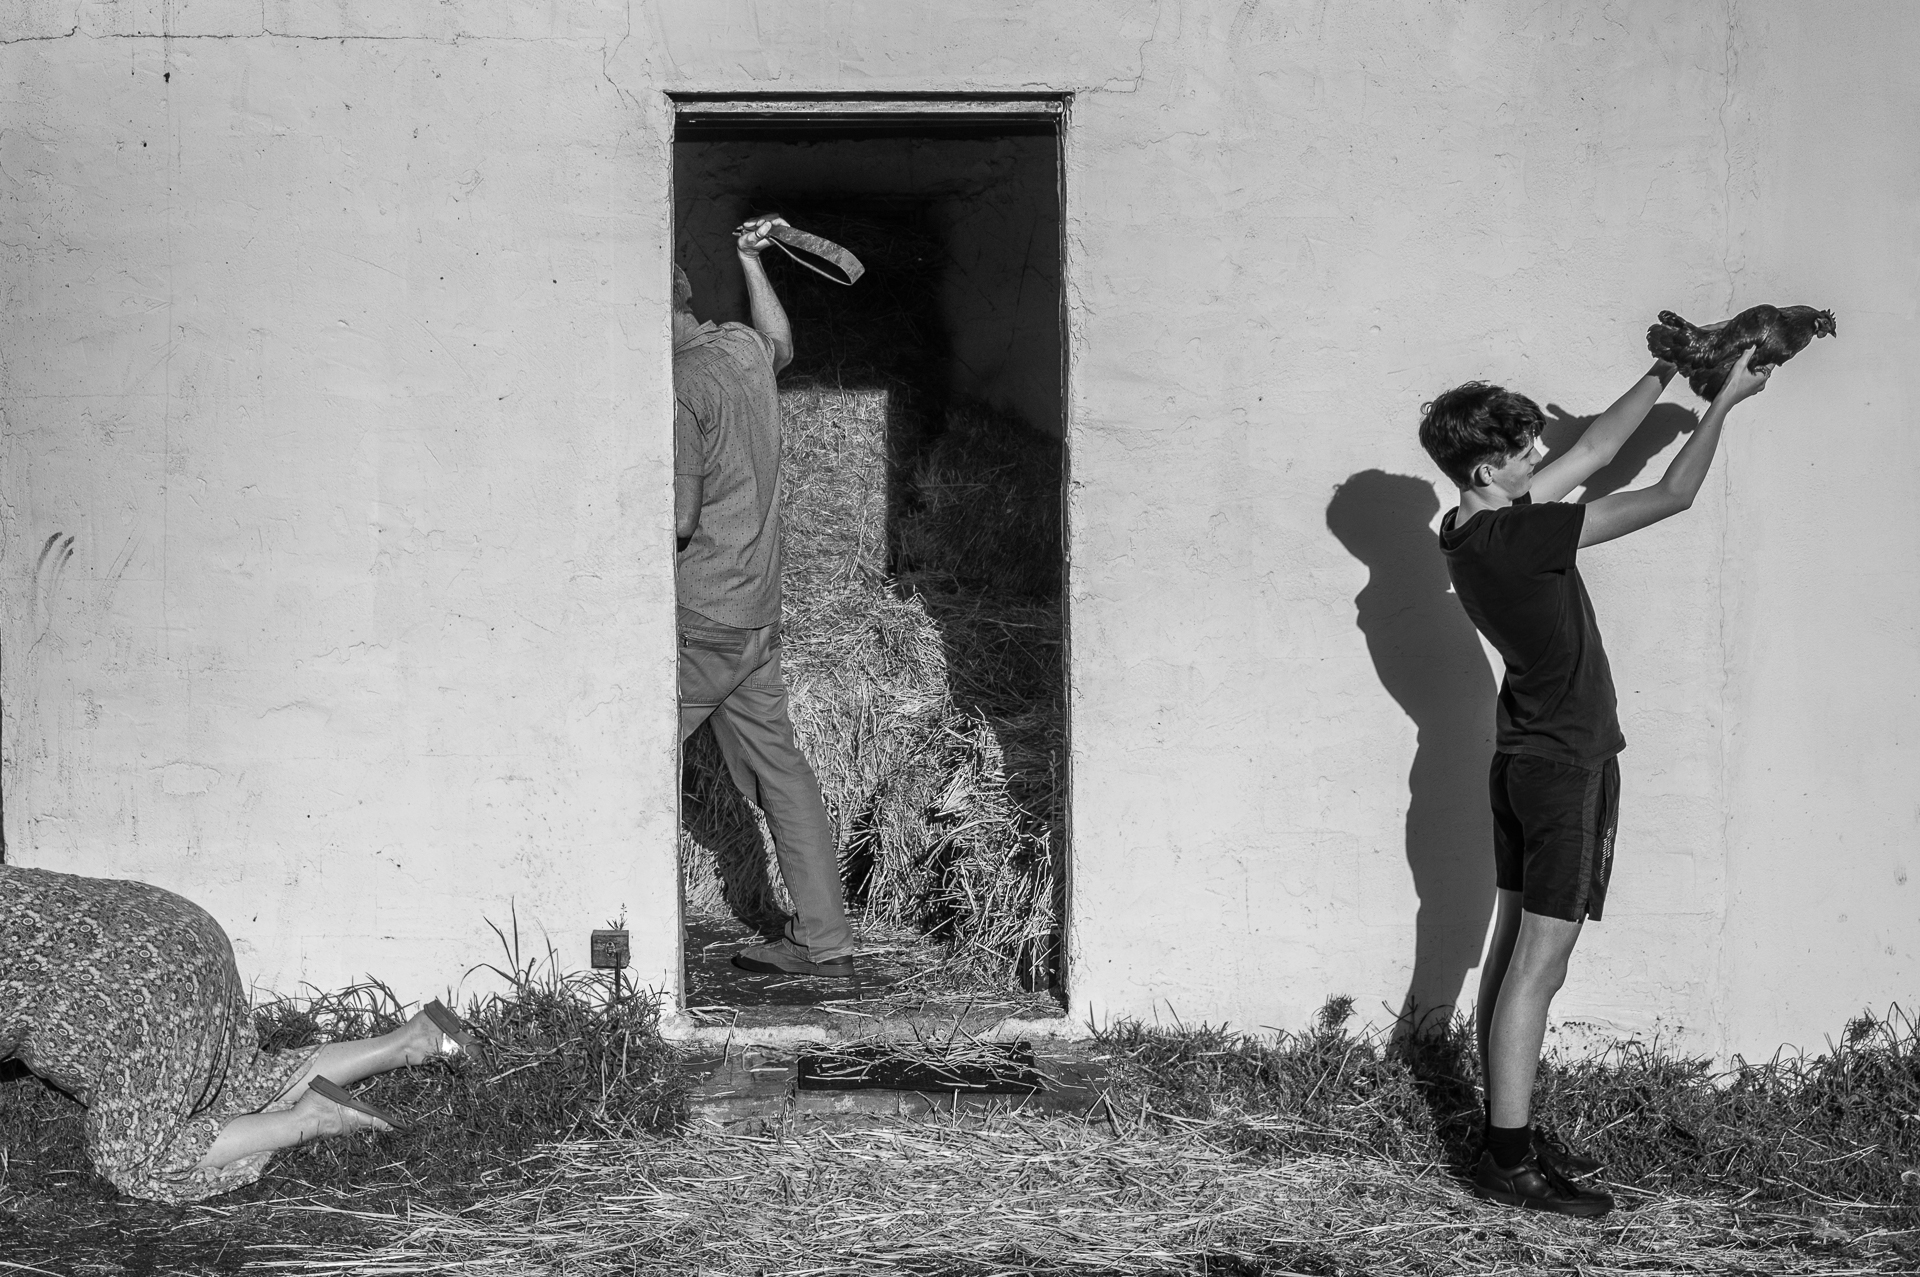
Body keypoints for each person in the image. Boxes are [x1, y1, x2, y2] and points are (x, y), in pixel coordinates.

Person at [1419, 344, 1772, 1216]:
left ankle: (1505, 1134)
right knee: (1539, 968)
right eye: (1525, 451)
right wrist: (1723, 402)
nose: (1543, 456)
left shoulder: (1466, 529)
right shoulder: (1523, 536)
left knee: (1511, 950)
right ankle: (1508, 1163)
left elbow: (1592, 451)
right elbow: (1673, 494)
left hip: (1520, 760)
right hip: (1567, 766)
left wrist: (1669, 368)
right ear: (1488, 470)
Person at [0, 863, 482, 1204]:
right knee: (236, 1080)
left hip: (141, 992)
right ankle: (413, 1040)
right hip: (179, 928)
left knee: (133, 1159)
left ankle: (312, 1118)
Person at [674, 216, 857, 979]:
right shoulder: (739, 350)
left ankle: (616, 939)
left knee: (621, 756)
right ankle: (825, 941)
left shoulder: (680, 385)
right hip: (756, 614)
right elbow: (780, 340)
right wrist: (751, 260)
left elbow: (678, 519)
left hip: (700, 619)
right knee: (782, 772)